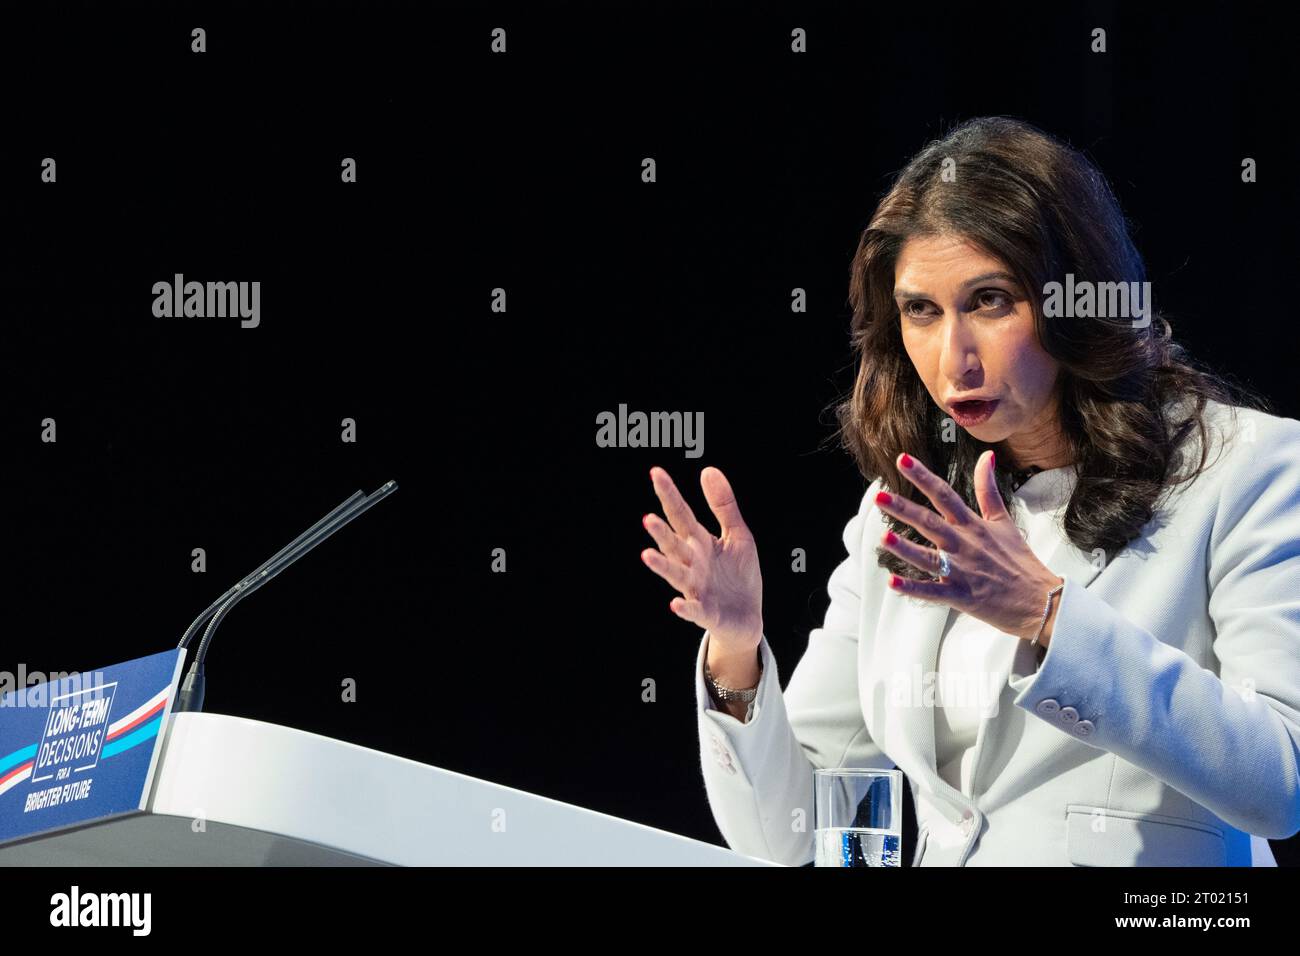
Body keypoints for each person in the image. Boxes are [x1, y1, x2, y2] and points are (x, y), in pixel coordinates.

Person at [639, 116, 1300, 867]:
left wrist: (1048, 616)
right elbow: (790, 830)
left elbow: (1281, 784)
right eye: (922, 310)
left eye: (989, 301)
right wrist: (735, 649)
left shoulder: (1250, 469)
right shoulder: (906, 513)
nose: (954, 357)